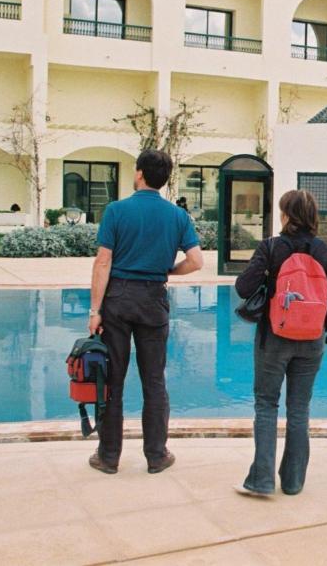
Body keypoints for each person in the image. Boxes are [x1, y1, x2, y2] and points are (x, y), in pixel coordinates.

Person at [86, 149, 204, 475]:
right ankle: (156, 455)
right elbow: (196, 261)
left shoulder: (116, 210)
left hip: (118, 298)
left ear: (139, 174)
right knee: (154, 380)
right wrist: (169, 272)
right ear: (165, 180)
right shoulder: (177, 216)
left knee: (113, 380)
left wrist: (95, 309)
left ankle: (108, 457)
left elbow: (103, 262)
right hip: (154, 299)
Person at [234, 190, 327, 496]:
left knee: (266, 405)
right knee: (299, 410)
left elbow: (243, 287)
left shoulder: (271, 248)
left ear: (287, 215)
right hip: (311, 343)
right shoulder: (326, 252)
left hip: (273, 338)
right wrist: (319, 324)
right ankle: (293, 481)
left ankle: (261, 481)